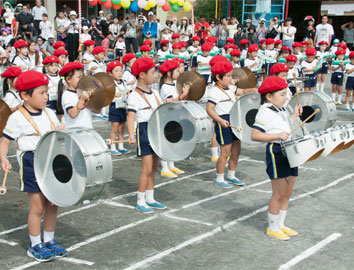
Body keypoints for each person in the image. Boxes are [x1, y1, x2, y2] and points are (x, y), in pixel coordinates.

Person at [0, 70, 67, 261]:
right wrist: (3, 158)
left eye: (46, 92)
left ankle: (49, 240)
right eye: (41, 93)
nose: (46, 96)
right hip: (31, 161)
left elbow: (57, 135)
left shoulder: (50, 113)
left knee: (53, 203)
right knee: (37, 206)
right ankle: (35, 244)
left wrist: (61, 130)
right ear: (25, 96)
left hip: (51, 159)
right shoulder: (17, 117)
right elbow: (5, 140)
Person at [251, 76, 302, 241]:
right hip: (276, 151)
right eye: (281, 94)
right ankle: (272, 227)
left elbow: (285, 127)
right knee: (278, 193)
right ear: (269, 96)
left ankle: (281, 224)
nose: (285, 97)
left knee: (288, 191)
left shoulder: (282, 109)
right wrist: (277, 136)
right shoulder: (265, 111)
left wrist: (293, 115)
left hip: (289, 150)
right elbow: (255, 135)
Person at [127, 57, 167, 213]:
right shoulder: (134, 96)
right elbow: (131, 117)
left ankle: (150, 198)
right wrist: (131, 134)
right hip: (144, 131)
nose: (155, 75)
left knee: (154, 167)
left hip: (156, 130)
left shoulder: (155, 93)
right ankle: (140, 200)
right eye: (152, 72)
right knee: (147, 168)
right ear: (142, 75)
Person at [206, 61, 245, 188]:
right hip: (224, 121)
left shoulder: (229, 89)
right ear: (218, 77)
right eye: (228, 76)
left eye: (231, 76)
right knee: (225, 152)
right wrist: (220, 120)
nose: (230, 79)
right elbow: (209, 109)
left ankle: (231, 175)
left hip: (234, 119)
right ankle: (219, 177)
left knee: (236, 150)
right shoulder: (214, 91)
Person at [158, 60, 188, 178]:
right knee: (166, 142)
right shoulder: (165, 87)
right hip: (167, 117)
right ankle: (164, 168)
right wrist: (183, 94)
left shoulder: (174, 84)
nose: (179, 71)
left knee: (174, 141)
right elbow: (171, 101)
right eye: (176, 70)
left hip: (175, 116)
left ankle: (171, 164)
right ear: (169, 74)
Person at [58, 62, 92, 129]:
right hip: (75, 131)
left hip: (87, 128)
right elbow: (73, 114)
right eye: (79, 77)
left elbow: (96, 110)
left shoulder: (82, 92)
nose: (82, 79)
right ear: (69, 79)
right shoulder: (67, 95)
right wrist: (82, 100)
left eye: (83, 77)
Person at [106, 60, 130, 155]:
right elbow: (105, 95)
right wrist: (113, 95)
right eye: (116, 71)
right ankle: (112, 147)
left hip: (123, 106)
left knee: (122, 128)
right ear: (110, 73)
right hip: (114, 106)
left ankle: (121, 146)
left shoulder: (123, 82)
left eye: (120, 71)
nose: (119, 73)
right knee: (114, 128)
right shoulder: (110, 83)